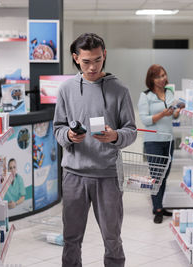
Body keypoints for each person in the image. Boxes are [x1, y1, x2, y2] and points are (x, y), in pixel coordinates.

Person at [53, 33, 136, 267]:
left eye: (97, 60)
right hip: (74, 174)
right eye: (86, 61)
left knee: (112, 239)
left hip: (108, 175)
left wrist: (115, 136)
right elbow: (57, 129)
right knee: (71, 239)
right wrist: (68, 136)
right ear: (76, 58)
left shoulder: (119, 89)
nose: (92, 67)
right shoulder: (66, 89)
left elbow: (131, 129)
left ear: (105, 55)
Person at [137, 64, 183, 224]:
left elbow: (173, 117)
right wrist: (163, 113)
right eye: (158, 76)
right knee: (157, 177)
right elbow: (145, 120)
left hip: (169, 141)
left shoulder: (169, 93)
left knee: (164, 176)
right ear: (151, 79)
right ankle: (157, 209)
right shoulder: (145, 96)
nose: (162, 78)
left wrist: (176, 112)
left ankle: (160, 205)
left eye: (163, 75)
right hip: (153, 142)